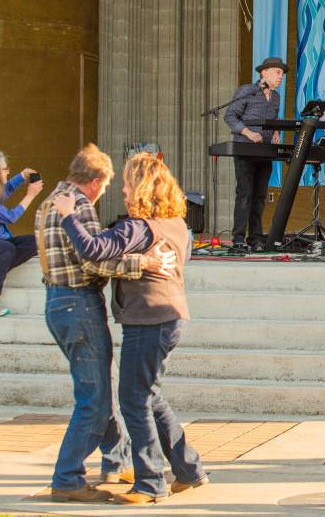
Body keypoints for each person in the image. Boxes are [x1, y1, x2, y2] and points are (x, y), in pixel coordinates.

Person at [52, 153, 208, 505]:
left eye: (126, 183)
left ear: (140, 188)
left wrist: (68, 216)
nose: (122, 190)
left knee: (134, 401)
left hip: (148, 319)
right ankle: (188, 469)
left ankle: (151, 483)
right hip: (171, 316)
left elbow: (93, 249)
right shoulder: (176, 224)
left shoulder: (138, 227)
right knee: (150, 396)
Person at [35, 144, 173, 503]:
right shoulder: (79, 206)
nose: (112, 191)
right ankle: (67, 478)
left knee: (100, 387)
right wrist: (143, 263)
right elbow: (93, 260)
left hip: (57, 302)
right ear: (96, 181)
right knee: (94, 399)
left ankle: (116, 461)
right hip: (79, 303)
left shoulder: (50, 200)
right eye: (110, 185)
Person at [224, 57, 287, 250]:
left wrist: (276, 132)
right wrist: (248, 133)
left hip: (265, 151)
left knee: (260, 196)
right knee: (245, 194)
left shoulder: (276, 97)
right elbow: (230, 116)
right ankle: (238, 238)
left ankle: (255, 238)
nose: (281, 77)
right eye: (278, 72)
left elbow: (273, 119)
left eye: (282, 74)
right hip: (245, 149)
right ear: (264, 73)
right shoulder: (247, 91)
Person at [0, 150, 42, 316]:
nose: (8, 171)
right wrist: (30, 195)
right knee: (7, 249)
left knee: (37, 241)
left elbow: (6, 190)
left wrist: (21, 176)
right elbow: (10, 217)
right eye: (5, 169)